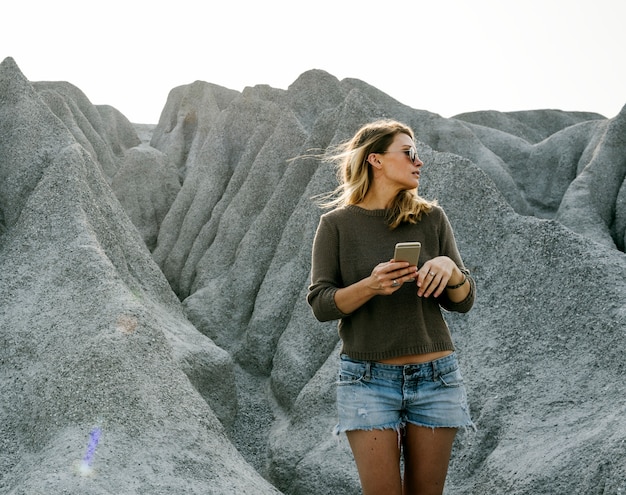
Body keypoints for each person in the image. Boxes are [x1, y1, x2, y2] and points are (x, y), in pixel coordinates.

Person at [307, 119, 476, 495]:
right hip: (366, 381)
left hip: (436, 377)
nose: (419, 162)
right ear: (375, 160)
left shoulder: (432, 218)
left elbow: (463, 302)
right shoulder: (335, 225)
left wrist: (451, 271)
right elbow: (320, 303)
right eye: (409, 152)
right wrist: (371, 285)